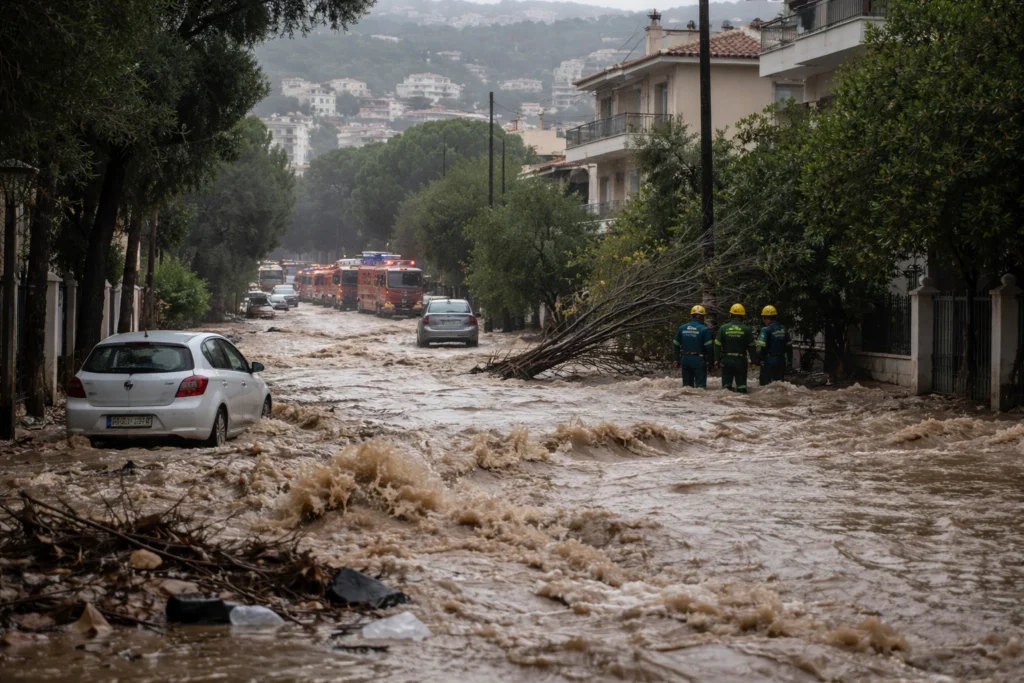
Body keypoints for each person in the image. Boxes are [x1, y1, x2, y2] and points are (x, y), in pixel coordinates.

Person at [714, 303, 757, 393]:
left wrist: (716, 360)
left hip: (727, 360)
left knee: (726, 389)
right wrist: (753, 361)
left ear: (731, 315)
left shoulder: (723, 328)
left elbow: (717, 345)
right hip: (741, 361)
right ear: (742, 316)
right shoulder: (747, 329)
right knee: (741, 388)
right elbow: (752, 347)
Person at [673, 305, 713, 388]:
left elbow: (675, 344)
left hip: (685, 359)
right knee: (700, 388)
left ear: (691, 316)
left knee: (687, 388)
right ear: (703, 317)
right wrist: (711, 362)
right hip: (699, 360)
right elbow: (709, 347)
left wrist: (676, 359)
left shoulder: (682, 328)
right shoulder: (704, 329)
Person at [756, 305, 793, 386]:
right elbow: (789, 347)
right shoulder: (783, 329)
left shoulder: (765, 330)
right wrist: (789, 362)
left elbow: (759, 347)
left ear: (765, 317)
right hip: (781, 361)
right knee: (779, 385)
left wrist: (757, 360)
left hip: (768, 361)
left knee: (765, 386)